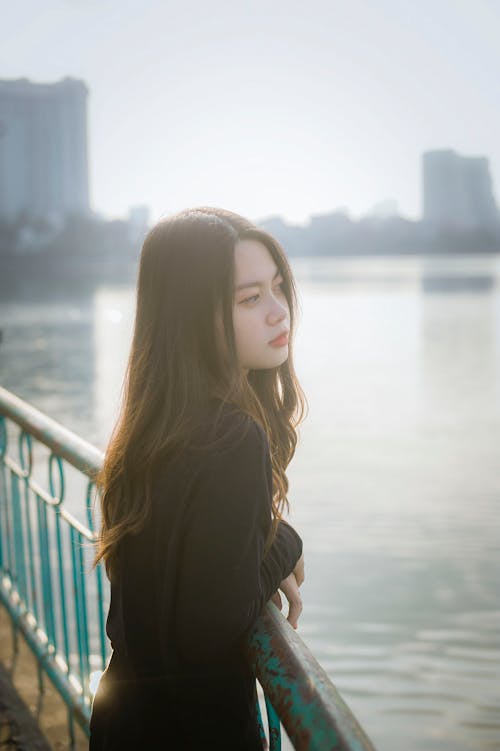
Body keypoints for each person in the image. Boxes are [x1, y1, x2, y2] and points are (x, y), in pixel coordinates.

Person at [89, 206, 307, 750]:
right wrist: (284, 542)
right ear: (192, 316)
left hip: (122, 721)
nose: (279, 313)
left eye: (278, 288)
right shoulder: (232, 437)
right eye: (250, 298)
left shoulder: (150, 429)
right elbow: (210, 626)